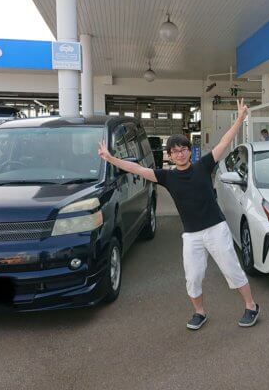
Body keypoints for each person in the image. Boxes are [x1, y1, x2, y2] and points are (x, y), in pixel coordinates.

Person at [98, 99, 259, 331]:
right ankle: (199, 312)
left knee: (232, 270)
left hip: (216, 228)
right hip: (192, 235)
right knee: (193, 277)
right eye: (175, 151)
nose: (180, 154)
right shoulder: (167, 177)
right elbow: (137, 169)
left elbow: (224, 141)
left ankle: (251, 306)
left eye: (183, 149)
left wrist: (240, 118)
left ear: (189, 151)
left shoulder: (203, 166)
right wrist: (110, 158)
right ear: (170, 156)